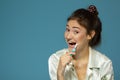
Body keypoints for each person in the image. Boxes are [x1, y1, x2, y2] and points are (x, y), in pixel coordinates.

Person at [48, 5, 114, 80]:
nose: (68, 36)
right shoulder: (55, 59)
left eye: (76, 32)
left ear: (90, 35)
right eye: (67, 30)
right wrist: (60, 74)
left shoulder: (104, 64)